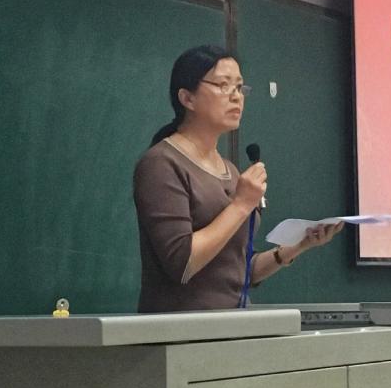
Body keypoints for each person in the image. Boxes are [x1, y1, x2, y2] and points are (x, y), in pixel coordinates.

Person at [133, 44, 343, 312]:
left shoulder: (231, 171)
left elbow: (240, 274)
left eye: (240, 87)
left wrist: (298, 245)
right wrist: (242, 204)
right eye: (223, 85)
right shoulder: (161, 163)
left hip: (234, 327)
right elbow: (182, 264)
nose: (236, 97)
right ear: (187, 98)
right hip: (181, 330)